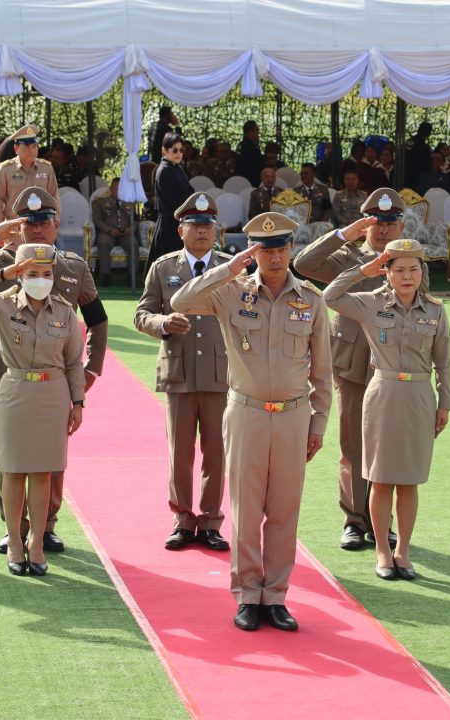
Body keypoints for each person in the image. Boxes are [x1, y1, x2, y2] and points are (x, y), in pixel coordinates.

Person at [172, 212, 332, 632]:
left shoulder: (312, 301)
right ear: (253, 252)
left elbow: (322, 373)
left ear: (291, 250)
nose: (274, 257)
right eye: (265, 249)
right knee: (245, 508)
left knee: (284, 510)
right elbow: (180, 302)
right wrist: (229, 267)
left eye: (281, 248)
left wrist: (318, 425)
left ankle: (275, 596)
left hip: (295, 415)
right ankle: (246, 593)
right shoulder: (230, 292)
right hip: (247, 412)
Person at [0, 187, 108, 553]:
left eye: (44, 223)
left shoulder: (73, 267)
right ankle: (13, 526)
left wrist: (91, 370)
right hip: (8, 369)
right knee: (12, 452)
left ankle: (46, 525)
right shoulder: (2, 261)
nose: (37, 230)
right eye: (28, 224)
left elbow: (97, 321)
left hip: (55, 370)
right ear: (18, 228)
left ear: (56, 226)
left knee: (51, 453)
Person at [322, 239, 450, 580]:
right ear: (388, 273)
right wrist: (361, 271)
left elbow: (444, 362)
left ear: (422, 272)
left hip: (420, 397)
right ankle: (381, 550)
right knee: (380, 480)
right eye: (399, 270)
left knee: (409, 481)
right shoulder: (370, 304)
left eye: (413, 269)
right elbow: (330, 297)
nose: (407, 276)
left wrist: (446, 403)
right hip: (382, 395)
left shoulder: (436, 310)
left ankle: (403, 551)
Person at [295, 188, 415, 551]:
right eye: (376, 223)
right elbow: (302, 264)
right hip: (351, 362)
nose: (383, 231)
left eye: (390, 223)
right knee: (352, 444)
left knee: (387, 447)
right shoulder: (346, 256)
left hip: (394, 366)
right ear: (366, 225)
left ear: (401, 226)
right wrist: (343, 235)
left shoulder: (408, 260)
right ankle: (354, 520)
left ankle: (382, 522)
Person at [0, 243, 86, 575]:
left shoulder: (65, 313)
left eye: (46, 273)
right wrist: (1, 274)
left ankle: (37, 542)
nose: (40, 280)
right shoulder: (0, 305)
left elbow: (73, 363)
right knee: (13, 472)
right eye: (31, 274)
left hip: (53, 394)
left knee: (43, 472)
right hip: (14, 392)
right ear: (20, 274)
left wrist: (78, 403)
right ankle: (15, 540)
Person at [134, 192, 231, 552]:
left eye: (208, 224)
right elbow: (141, 314)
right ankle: (182, 519)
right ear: (181, 229)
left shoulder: (229, 267)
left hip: (220, 374)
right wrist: (162, 322)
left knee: (217, 451)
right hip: (178, 372)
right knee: (180, 452)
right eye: (195, 224)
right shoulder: (163, 268)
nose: (202, 231)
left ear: (215, 229)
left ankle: (210, 521)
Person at [0, 125, 59, 225]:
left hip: (41, 227)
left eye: (34, 146)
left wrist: (55, 221)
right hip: (15, 228)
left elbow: (54, 197)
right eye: (27, 146)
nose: (31, 150)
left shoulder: (46, 168)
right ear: (16, 149)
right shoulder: (5, 169)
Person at [148, 133, 193, 271]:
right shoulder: (165, 170)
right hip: (169, 225)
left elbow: (189, 192)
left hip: (177, 222)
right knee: (167, 269)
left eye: (181, 150)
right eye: (175, 150)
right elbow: (173, 200)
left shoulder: (176, 168)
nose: (179, 153)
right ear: (164, 150)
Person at [91, 177, 134, 286]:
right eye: (117, 189)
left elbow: (136, 220)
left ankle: (131, 277)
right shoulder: (100, 202)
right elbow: (97, 220)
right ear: (110, 189)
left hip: (125, 234)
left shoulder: (129, 202)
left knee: (133, 243)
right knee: (103, 242)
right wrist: (109, 230)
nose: (120, 191)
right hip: (107, 233)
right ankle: (106, 276)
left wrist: (130, 229)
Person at [235, 120, 264, 187]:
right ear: (251, 131)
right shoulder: (250, 146)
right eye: (257, 130)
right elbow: (255, 164)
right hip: (250, 180)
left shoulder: (241, 144)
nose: (258, 132)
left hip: (241, 179)